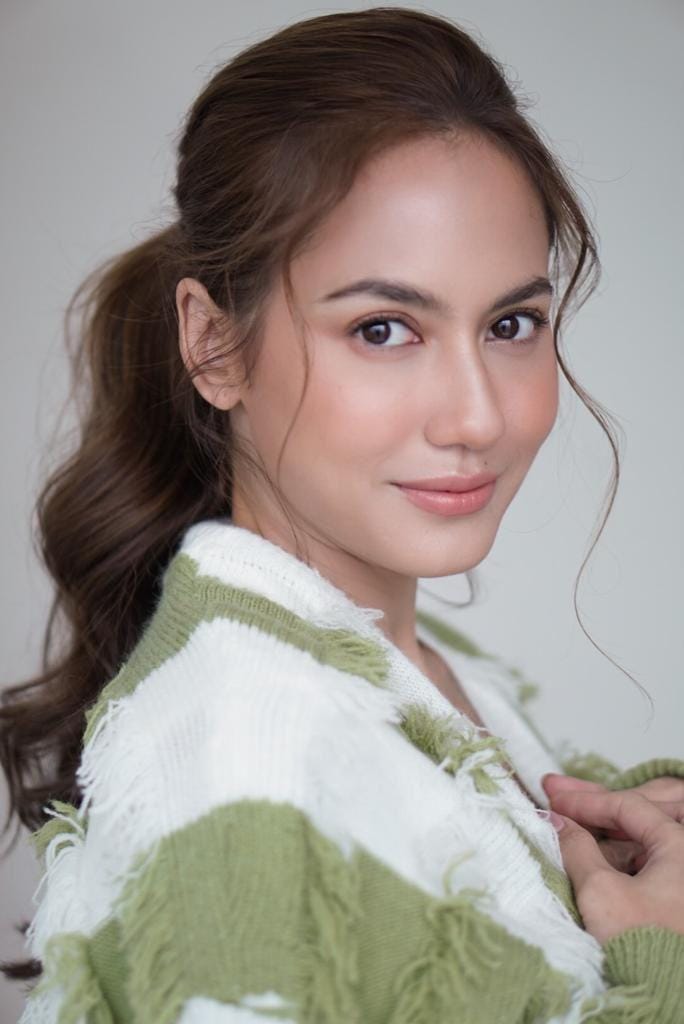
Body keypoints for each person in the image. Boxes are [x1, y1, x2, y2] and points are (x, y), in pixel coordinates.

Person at [1, 6, 683, 1022]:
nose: (477, 416)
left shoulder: (412, 667)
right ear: (214, 346)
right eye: (383, 329)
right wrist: (665, 975)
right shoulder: (250, 747)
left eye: (512, 323)